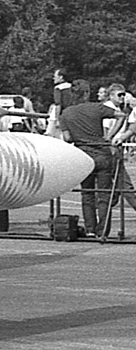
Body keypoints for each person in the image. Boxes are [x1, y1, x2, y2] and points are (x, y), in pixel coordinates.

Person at [56, 83, 133, 240]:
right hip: (102, 154)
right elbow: (121, 115)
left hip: (83, 155)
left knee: (87, 194)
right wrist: (110, 136)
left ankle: (90, 229)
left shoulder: (66, 113)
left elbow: (67, 138)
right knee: (104, 194)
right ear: (86, 93)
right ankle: (102, 230)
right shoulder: (96, 108)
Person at [47, 69, 75, 137]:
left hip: (61, 114)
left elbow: (58, 104)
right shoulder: (71, 87)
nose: (54, 78)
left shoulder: (58, 88)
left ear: (61, 77)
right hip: (71, 113)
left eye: (55, 76)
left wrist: (57, 119)